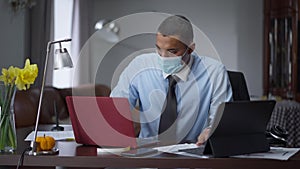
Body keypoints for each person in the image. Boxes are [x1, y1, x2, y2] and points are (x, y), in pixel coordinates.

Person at [110, 15, 232, 145]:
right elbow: (114, 109)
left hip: (192, 153)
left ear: (190, 49)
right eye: (158, 48)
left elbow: (221, 121)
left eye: (172, 51)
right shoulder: (139, 65)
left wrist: (210, 131)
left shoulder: (214, 72)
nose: (163, 56)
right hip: (148, 153)